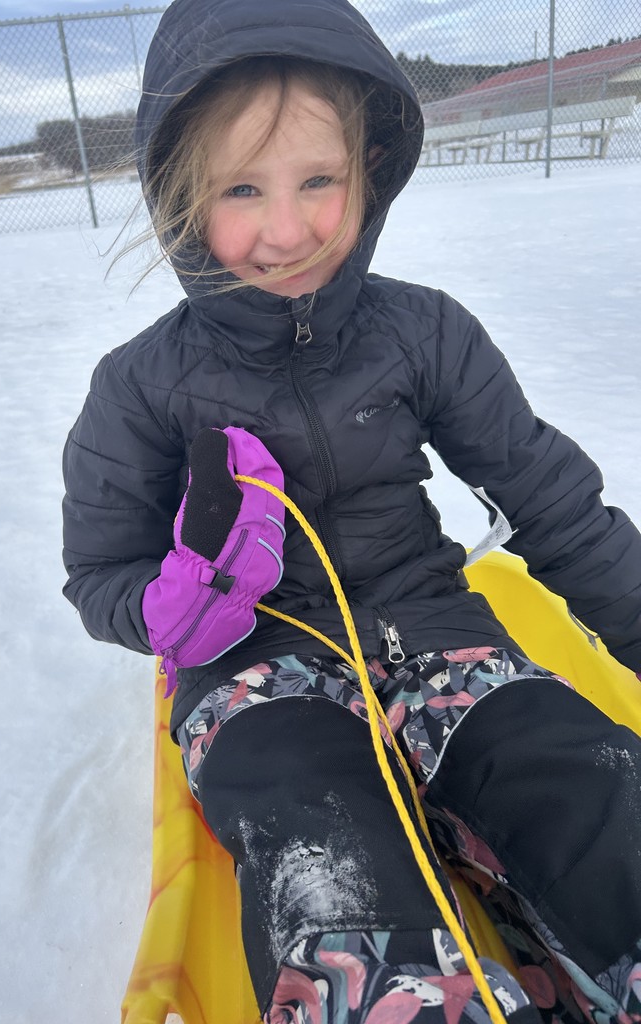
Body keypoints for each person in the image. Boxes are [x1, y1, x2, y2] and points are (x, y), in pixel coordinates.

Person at [61, 0, 641, 1021]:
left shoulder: (424, 334)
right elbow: (99, 572)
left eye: (318, 180)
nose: (287, 231)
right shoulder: (139, 385)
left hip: (435, 632)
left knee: (577, 778)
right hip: (255, 674)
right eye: (242, 188)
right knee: (323, 847)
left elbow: (551, 498)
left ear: (369, 170)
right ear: (180, 197)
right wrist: (183, 596)